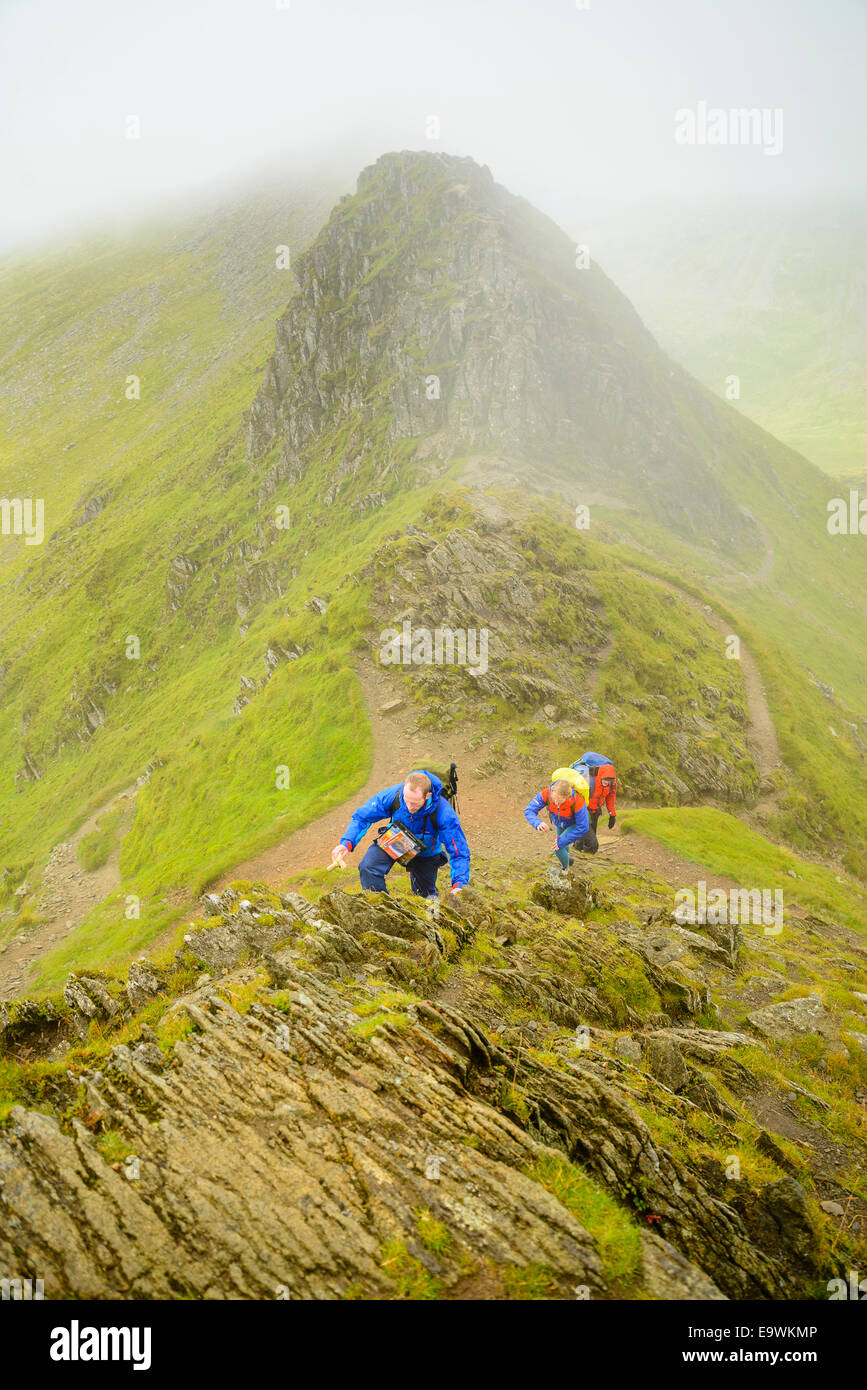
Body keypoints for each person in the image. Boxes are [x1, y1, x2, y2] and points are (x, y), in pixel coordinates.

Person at [329, 770, 470, 898]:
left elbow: (459, 852)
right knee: (368, 868)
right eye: (406, 800)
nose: (409, 808)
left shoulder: (443, 812)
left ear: (428, 796)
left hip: (426, 854)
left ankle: (432, 922)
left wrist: (459, 884)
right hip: (397, 839)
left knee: (426, 898)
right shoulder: (394, 795)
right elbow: (362, 817)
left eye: (414, 803)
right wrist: (346, 843)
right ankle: (382, 911)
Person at [523, 777, 598, 867]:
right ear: (552, 791)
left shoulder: (578, 801)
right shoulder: (546, 793)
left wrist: (563, 840)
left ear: (568, 797)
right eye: (554, 800)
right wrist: (538, 823)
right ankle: (568, 860)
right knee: (562, 845)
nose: (556, 804)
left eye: (560, 802)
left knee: (557, 847)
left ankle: (565, 870)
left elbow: (583, 827)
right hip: (558, 823)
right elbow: (529, 810)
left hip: (573, 824)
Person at [572, 752, 617, 833]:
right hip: (584, 810)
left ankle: (578, 843)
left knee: (592, 833)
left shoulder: (612, 782)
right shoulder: (588, 778)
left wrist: (612, 814)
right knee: (588, 839)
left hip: (595, 810)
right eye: (606, 783)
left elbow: (611, 797)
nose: (607, 785)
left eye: (609, 784)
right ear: (601, 777)